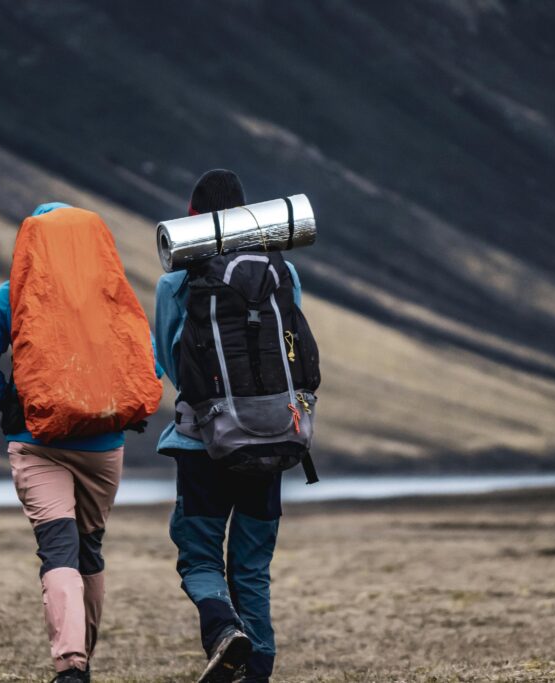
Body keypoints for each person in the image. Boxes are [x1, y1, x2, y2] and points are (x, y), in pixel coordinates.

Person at [0, 202, 153, 683]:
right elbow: (147, 363)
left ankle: (72, 667)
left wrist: (11, 402)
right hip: (103, 447)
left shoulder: (12, 294)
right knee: (89, 552)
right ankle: (81, 659)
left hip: (36, 441)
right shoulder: (111, 293)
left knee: (58, 551)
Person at [154, 170, 302, 683]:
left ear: (192, 218)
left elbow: (169, 361)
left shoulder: (176, 281)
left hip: (202, 443)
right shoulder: (282, 271)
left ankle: (222, 632)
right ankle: (256, 672)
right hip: (271, 438)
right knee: (252, 568)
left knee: (199, 557)